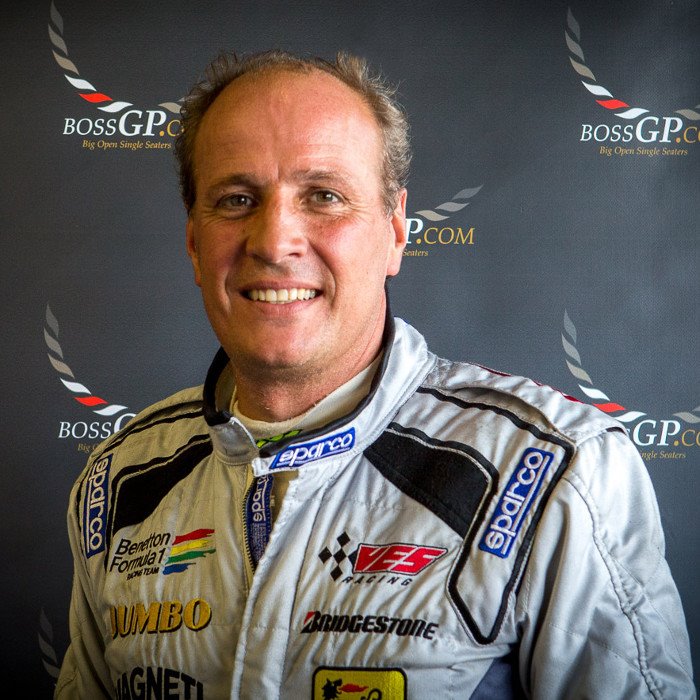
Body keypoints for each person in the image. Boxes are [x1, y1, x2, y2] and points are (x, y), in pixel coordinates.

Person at [55, 50, 695, 699]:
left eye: (324, 196)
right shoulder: (118, 479)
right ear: (195, 243)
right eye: (237, 199)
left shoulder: (556, 474)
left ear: (395, 232)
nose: (274, 242)